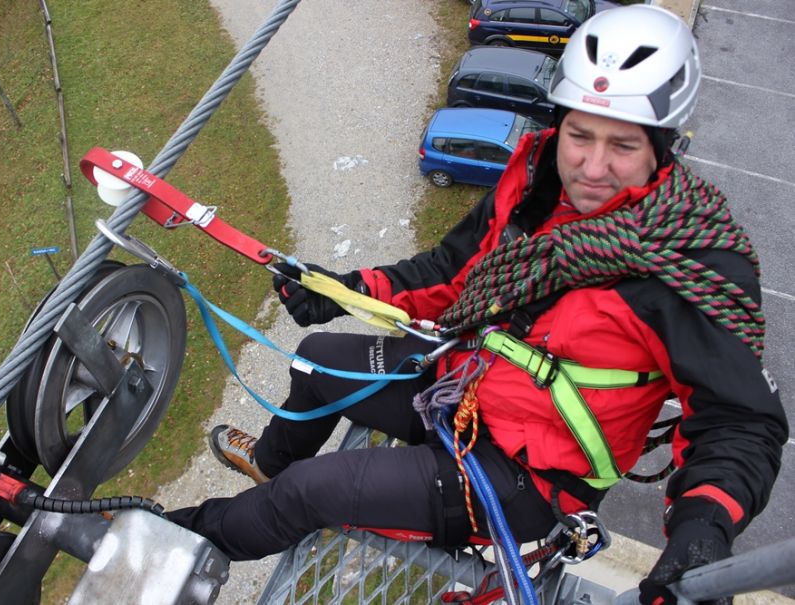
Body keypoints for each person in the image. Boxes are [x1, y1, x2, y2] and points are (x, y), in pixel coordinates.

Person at [167, 5, 787, 603]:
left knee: (309, 493)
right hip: (461, 386)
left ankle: (173, 541)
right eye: (580, 135)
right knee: (314, 361)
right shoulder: (534, 183)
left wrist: (703, 528)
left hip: (522, 478)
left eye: (623, 145)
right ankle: (269, 466)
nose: (592, 167)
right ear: (560, 122)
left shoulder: (688, 262)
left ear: (662, 147)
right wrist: (348, 290)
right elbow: (450, 270)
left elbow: (740, 421)